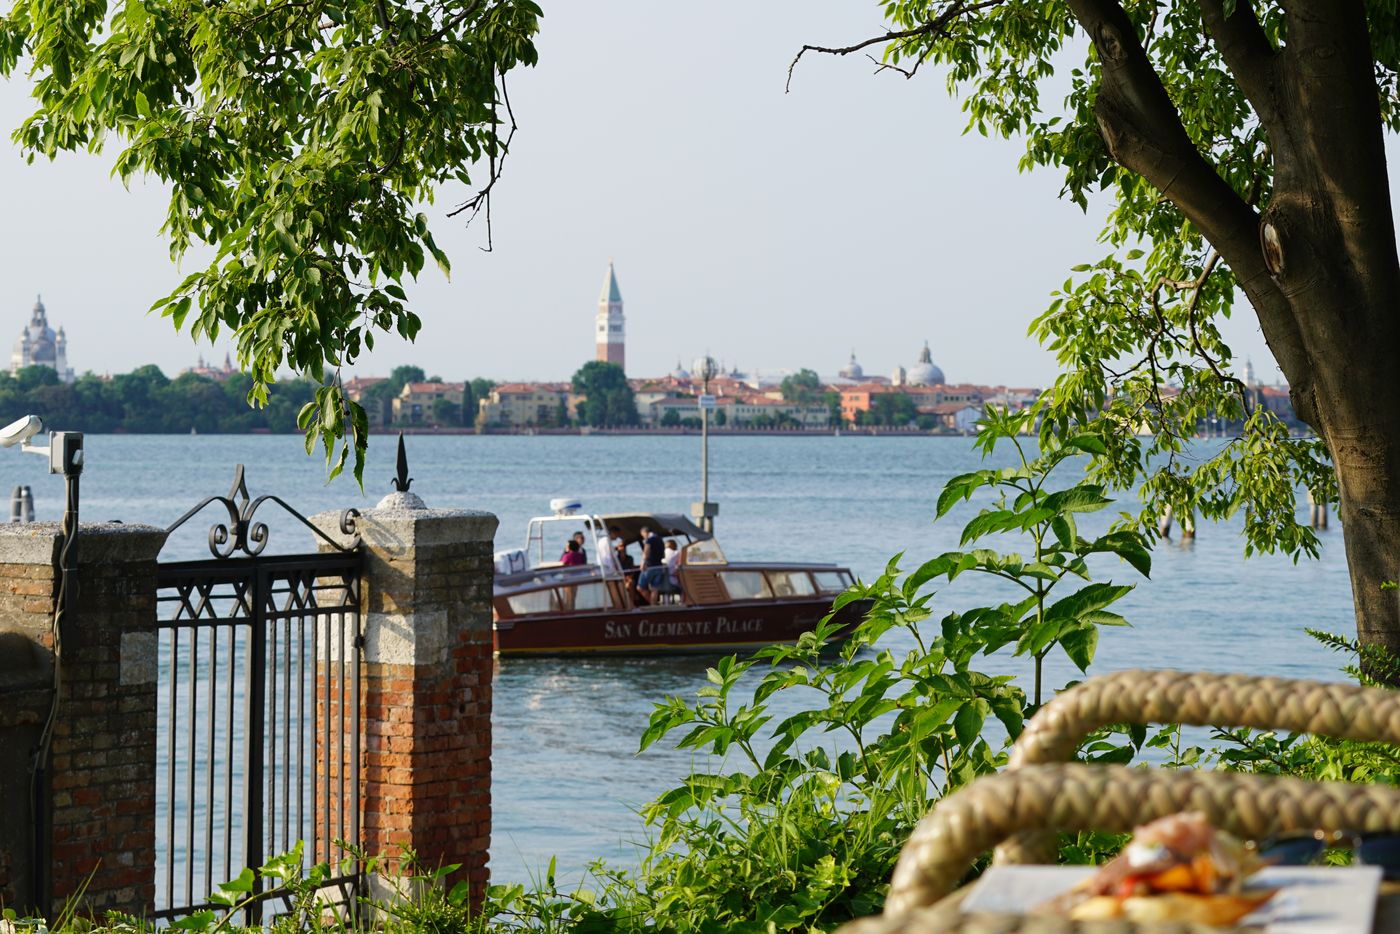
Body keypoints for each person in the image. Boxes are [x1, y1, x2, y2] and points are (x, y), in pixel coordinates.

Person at [638, 525, 667, 604]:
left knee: (640, 587)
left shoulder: (649, 540)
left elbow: (646, 552)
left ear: (645, 532)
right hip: (659, 566)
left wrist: (643, 563)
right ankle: (653, 605)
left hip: (650, 567)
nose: (644, 538)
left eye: (643, 535)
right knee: (655, 589)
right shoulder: (660, 540)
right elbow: (663, 555)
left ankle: (651, 603)